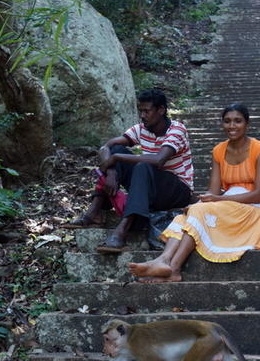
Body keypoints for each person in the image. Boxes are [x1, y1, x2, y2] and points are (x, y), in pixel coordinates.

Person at [127, 103, 260, 282]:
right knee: (185, 216)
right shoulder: (219, 150)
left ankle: (174, 268)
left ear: (247, 124)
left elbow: (258, 194)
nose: (232, 126)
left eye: (237, 121)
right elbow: (213, 190)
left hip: (254, 206)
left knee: (198, 213)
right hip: (227, 203)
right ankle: (164, 260)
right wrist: (199, 203)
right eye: (227, 121)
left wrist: (217, 199)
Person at [64, 88, 194, 253]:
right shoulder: (141, 129)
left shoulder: (177, 129)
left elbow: (158, 160)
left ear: (161, 110)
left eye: (147, 111)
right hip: (151, 188)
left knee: (141, 164)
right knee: (118, 148)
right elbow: (107, 146)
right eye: (141, 111)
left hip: (178, 191)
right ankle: (94, 213)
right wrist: (111, 171)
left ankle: (122, 231)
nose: (142, 115)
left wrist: (116, 158)